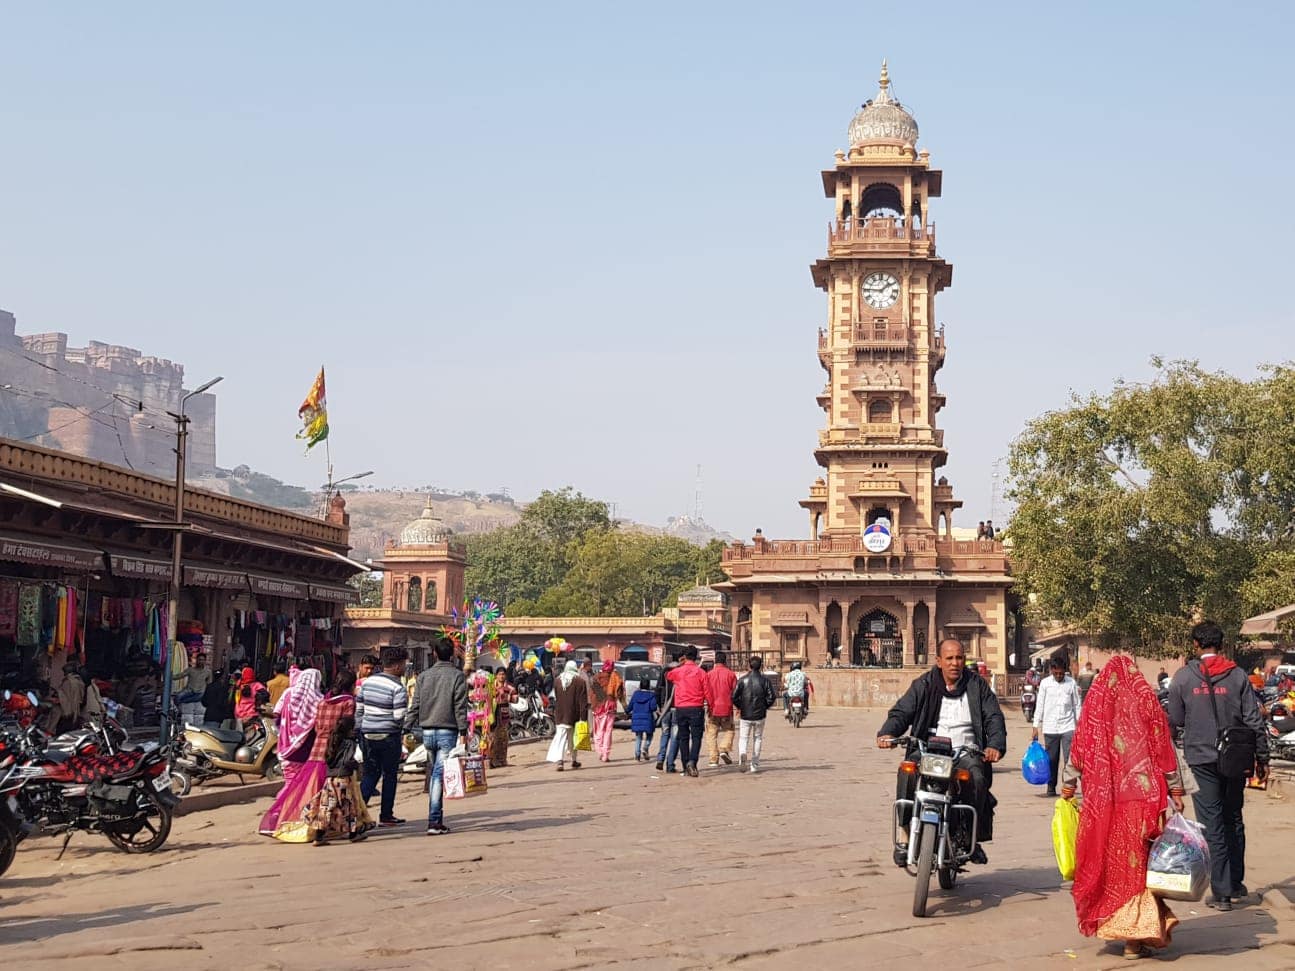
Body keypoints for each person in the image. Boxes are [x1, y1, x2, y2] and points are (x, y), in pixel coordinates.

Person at [1061, 656, 1185, 960]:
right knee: (1141, 866)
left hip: (1105, 805)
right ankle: (1135, 936)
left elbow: (1080, 748)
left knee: (1114, 867)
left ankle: (1126, 930)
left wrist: (1068, 785)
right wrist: (1177, 789)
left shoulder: (1097, 704)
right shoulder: (1146, 700)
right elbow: (1163, 747)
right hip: (1143, 802)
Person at [1165, 621, 1269, 911]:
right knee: (1233, 817)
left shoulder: (1183, 677)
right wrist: (1263, 758)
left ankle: (1221, 893)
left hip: (1201, 759)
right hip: (1235, 758)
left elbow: (1175, 719)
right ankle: (1235, 882)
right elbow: (1253, 720)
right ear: (1221, 645)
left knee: (1212, 824)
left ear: (1196, 645)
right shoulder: (1237, 676)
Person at [877, 638, 1006, 865]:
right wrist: (888, 732)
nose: (955, 663)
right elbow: (902, 711)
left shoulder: (977, 685)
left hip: (965, 751)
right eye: (949, 658)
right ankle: (905, 832)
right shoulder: (924, 684)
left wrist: (994, 745)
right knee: (907, 771)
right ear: (938, 661)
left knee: (976, 776)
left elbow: (993, 716)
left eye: (959, 658)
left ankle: (969, 835)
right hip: (927, 749)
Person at [259, 670, 359, 842]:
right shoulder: (338, 701)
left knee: (305, 790)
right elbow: (344, 725)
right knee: (335, 793)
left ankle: (293, 821)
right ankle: (330, 827)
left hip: (302, 749)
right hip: (332, 751)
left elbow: (280, 717)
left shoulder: (315, 700)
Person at [412, 638, 468, 836]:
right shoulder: (457, 676)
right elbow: (460, 707)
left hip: (427, 731)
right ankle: (434, 820)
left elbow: (415, 704)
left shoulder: (424, 676)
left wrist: (407, 727)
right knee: (437, 775)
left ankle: (436, 819)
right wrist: (464, 732)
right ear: (452, 654)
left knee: (434, 771)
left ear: (435, 653)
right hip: (447, 731)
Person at [356, 646, 410, 828]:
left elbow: (359, 711)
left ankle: (357, 814)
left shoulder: (367, 683)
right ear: (396, 666)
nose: (405, 667)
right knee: (390, 775)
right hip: (388, 737)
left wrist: (362, 730)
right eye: (404, 664)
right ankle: (386, 815)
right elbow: (398, 717)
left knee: (370, 774)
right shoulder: (398, 687)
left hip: (367, 735)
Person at [301, 711, 372, 845]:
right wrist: (356, 766)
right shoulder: (349, 743)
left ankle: (319, 836)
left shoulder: (332, 741)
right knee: (349, 808)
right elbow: (347, 761)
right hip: (344, 779)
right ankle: (353, 834)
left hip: (330, 779)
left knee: (326, 808)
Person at [1032, 652, 1082, 796]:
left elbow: (1076, 705)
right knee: (1052, 759)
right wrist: (1036, 726)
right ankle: (1051, 786)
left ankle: (1068, 787)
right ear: (1052, 671)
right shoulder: (1045, 684)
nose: (1059, 676)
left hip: (1068, 727)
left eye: (1061, 673)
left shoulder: (1071, 683)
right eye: (1056, 673)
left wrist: (1079, 725)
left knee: (1069, 760)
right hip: (1050, 727)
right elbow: (1039, 705)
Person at [275, 667, 324, 788]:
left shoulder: (288, 694)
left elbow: (277, 715)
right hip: (307, 748)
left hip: (285, 746)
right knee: (303, 786)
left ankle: (286, 805)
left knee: (290, 783)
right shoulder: (319, 700)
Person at [666, 645, 709, 777]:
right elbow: (708, 691)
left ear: (685, 657)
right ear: (696, 657)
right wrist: (711, 706)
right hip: (696, 707)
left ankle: (685, 766)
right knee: (696, 737)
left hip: (681, 708)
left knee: (683, 737)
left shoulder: (678, 671)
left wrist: (681, 664)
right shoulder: (701, 672)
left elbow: (668, 675)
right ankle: (692, 761)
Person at [732, 656, 777, 773]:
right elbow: (772, 697)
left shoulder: (742, 680)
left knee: (743, 737)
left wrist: (741, 706)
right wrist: (765, 706)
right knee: (757, 738)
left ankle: (742, 754)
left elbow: (734, 697)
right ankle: (754, 764)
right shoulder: (765, 680)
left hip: (745, 714)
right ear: (760, 666)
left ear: (749, 665)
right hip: (759, 715)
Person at [547, 659, 588, 771]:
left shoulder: (557, 680)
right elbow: (583, 702)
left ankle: (560, 761)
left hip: (560, 715)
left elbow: (556, 697)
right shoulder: (580, 681)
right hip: (574, 715)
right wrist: (583, 718)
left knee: (560, 738)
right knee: (573, 739)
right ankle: (573, 760)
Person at [704, 651, 738, 767]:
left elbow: (705, 691)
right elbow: (735, 693)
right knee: (730, 730)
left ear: (715, 661)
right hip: (726, 708)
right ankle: (724, 748)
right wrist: (738, 707)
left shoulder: (708, 675)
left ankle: (713, 759)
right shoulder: (731, 674)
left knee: (711, 733)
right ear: (725, 661)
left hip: (712, 708)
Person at [590, 660, 624, 762]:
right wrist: (626, 708)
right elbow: (620, 694)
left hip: (599, 708)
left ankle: (600, 750)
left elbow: (593, 694)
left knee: (598, 730)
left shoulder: (596, 677)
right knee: (608, 731)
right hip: (611, 707)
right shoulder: (616, 677)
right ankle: (606, 754)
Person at [489, 665, 518, 769]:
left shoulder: (509, 687)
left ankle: (502, 760)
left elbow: (516, 699)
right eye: (499, 674)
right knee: (492, 738)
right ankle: (492, 760)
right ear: (496, 676)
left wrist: (506, 696)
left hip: (504, 714)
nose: (501, 676)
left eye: (503, 674)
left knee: (503, 738)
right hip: (492, 714)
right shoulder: (491, 686)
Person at [654, 661, 678, 772]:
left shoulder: (664, 672)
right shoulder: (680, 672)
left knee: (664, 734)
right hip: (677, 709)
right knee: (674, 737)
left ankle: (660, 758)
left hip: (665, 709)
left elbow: (658, 690)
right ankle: (670, 764)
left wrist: (658, 706)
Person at [629, 676, 657, 762]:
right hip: (648, 718)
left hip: (636, 718)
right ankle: (645, 747)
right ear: (648, 686)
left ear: (640, 685)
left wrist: (627, 712)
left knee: (638, 737)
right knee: (650, 735)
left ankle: (637, 755)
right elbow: (653, 707)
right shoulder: (651, 695)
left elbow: (630, 706)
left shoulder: (635, 694)